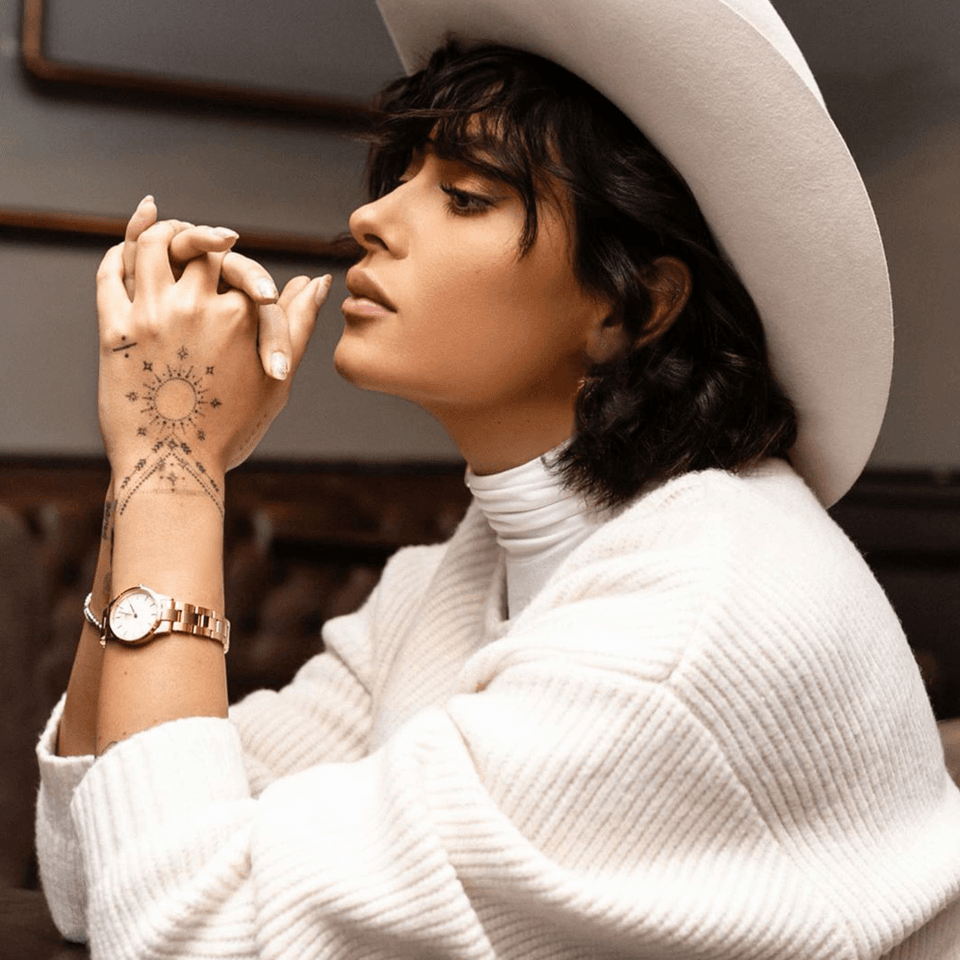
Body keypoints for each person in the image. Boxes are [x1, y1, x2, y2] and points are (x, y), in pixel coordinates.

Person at [35, 0, 960, 957]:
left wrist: (172, 458)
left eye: (467, 196)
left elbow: (180, 936)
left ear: (632, 308)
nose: (370, 217)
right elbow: (92, 871)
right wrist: (152, 472)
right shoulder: (455, 584)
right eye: (405, 175)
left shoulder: (686, 623)